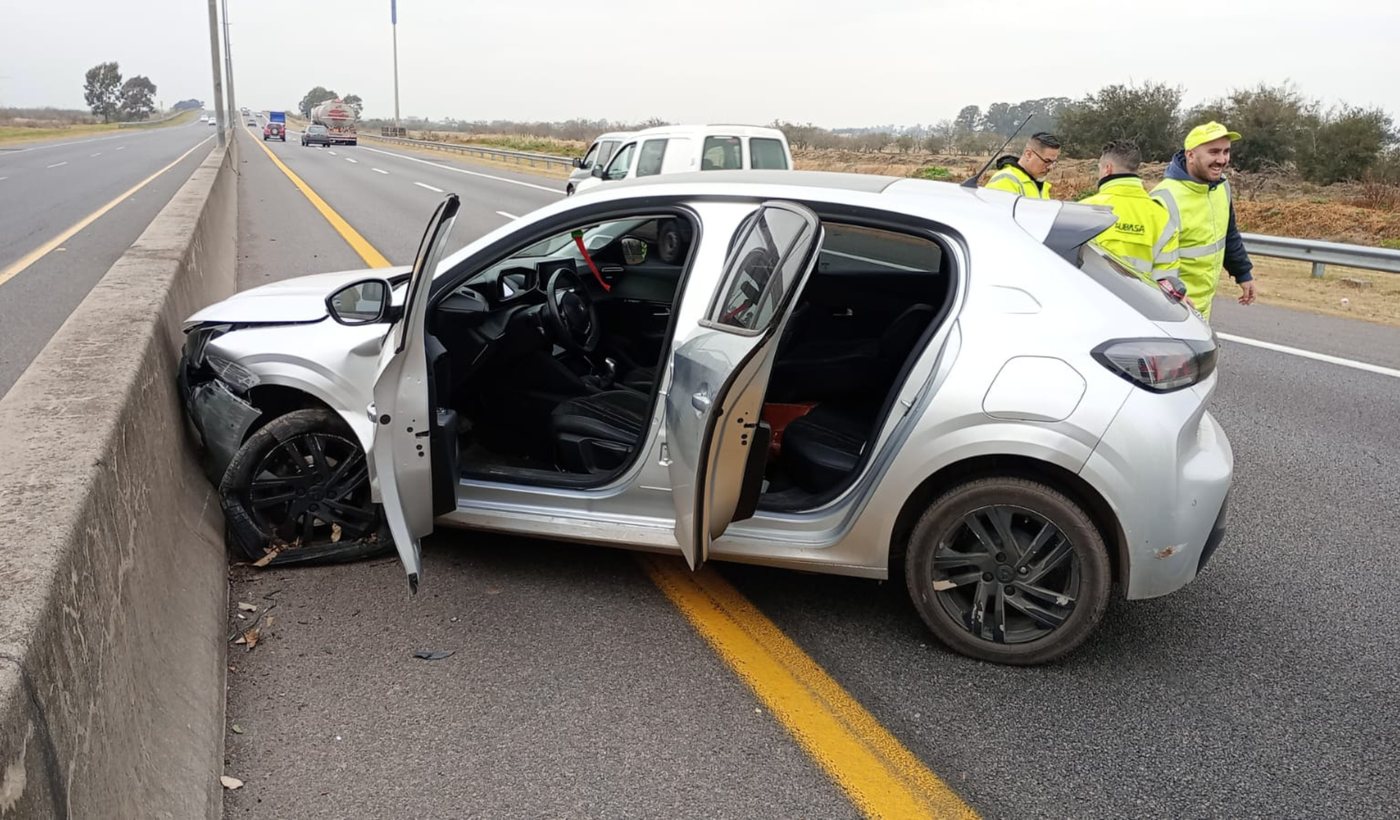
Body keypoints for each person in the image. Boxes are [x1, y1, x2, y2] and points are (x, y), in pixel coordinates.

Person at [1150, 122, 1256, 322]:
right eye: (1213, 152)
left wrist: (1243, 274)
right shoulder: (1164, 197)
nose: (1222, 160)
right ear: (1190, 155)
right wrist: (1172, 297)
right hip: (1171, 309)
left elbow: (1229, 235)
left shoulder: (1221, 187)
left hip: (1202, 308)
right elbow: (1147, 260)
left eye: (1226, 151)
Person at [1081, 140, 1187, 302]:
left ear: (1107, 168)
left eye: (1099, 168)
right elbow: (1166, 283)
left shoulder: (1084, 210)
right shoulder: (1162, 217)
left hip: (1091, 302)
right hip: (1139, 308)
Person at [985, 132, 1061, 199]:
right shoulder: (1005, 180)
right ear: (1029, 154)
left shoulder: (1039, 183)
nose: (1050, 167)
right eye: (1047, 161)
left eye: (1053, 162)